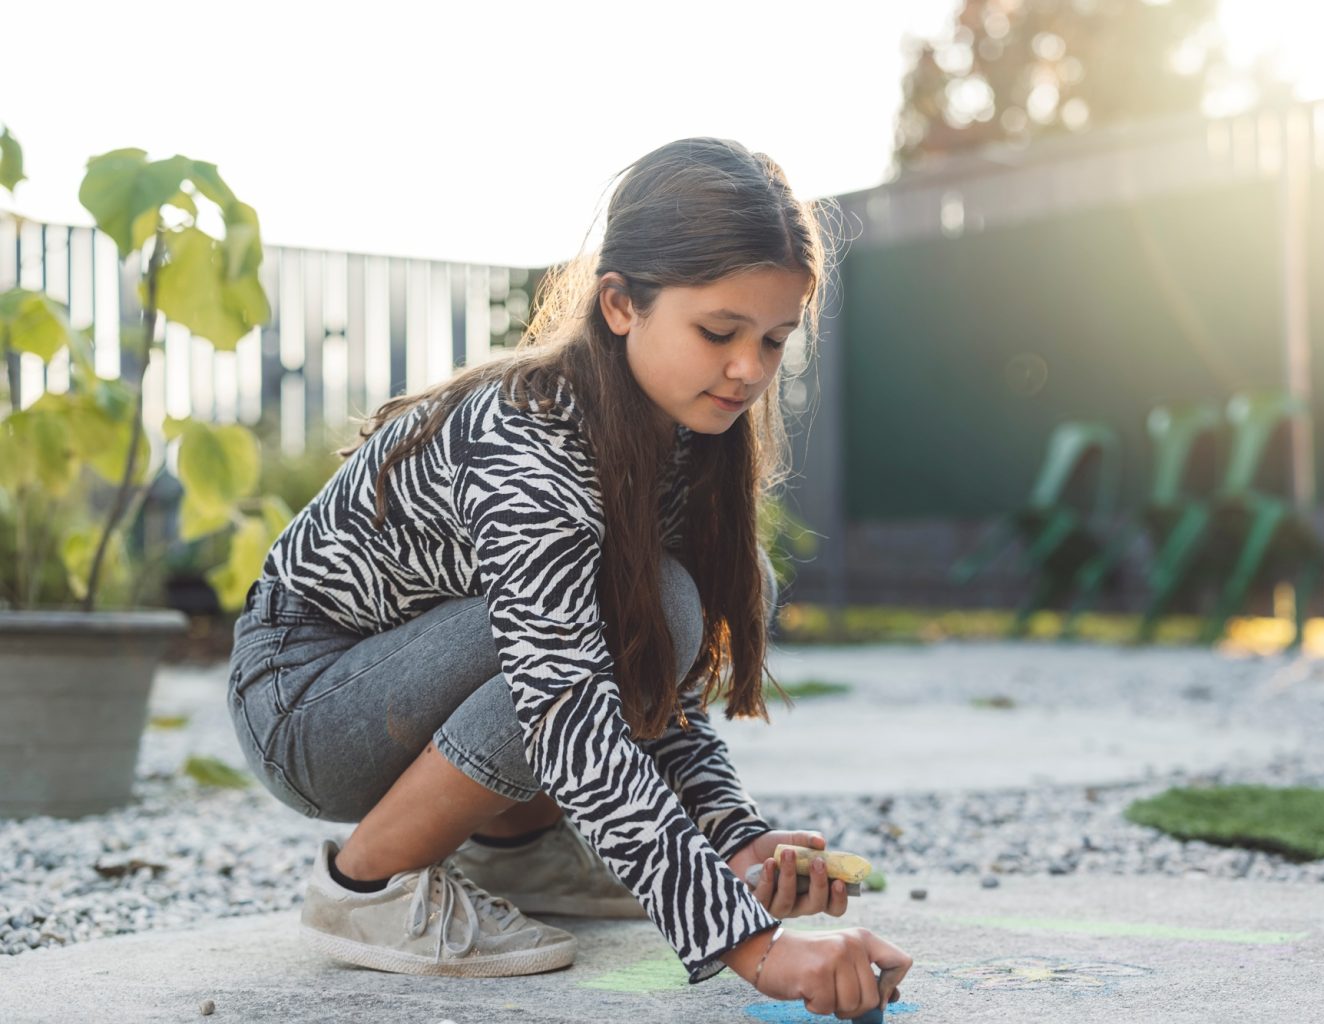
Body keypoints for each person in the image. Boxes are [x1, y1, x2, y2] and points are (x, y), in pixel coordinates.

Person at [225, 136, 911, 1019]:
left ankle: (519, 852)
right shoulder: (527, 440)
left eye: (775, 340)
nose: (750, 368)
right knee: (640, 613)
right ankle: (367, 887)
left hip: (417, 679)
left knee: (685, 599)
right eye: (718, 331)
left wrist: (734, 846)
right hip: (308, 699)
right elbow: (566, 704)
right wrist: (757, 951)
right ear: (620, 304)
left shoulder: (676, 438)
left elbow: (660, 687)